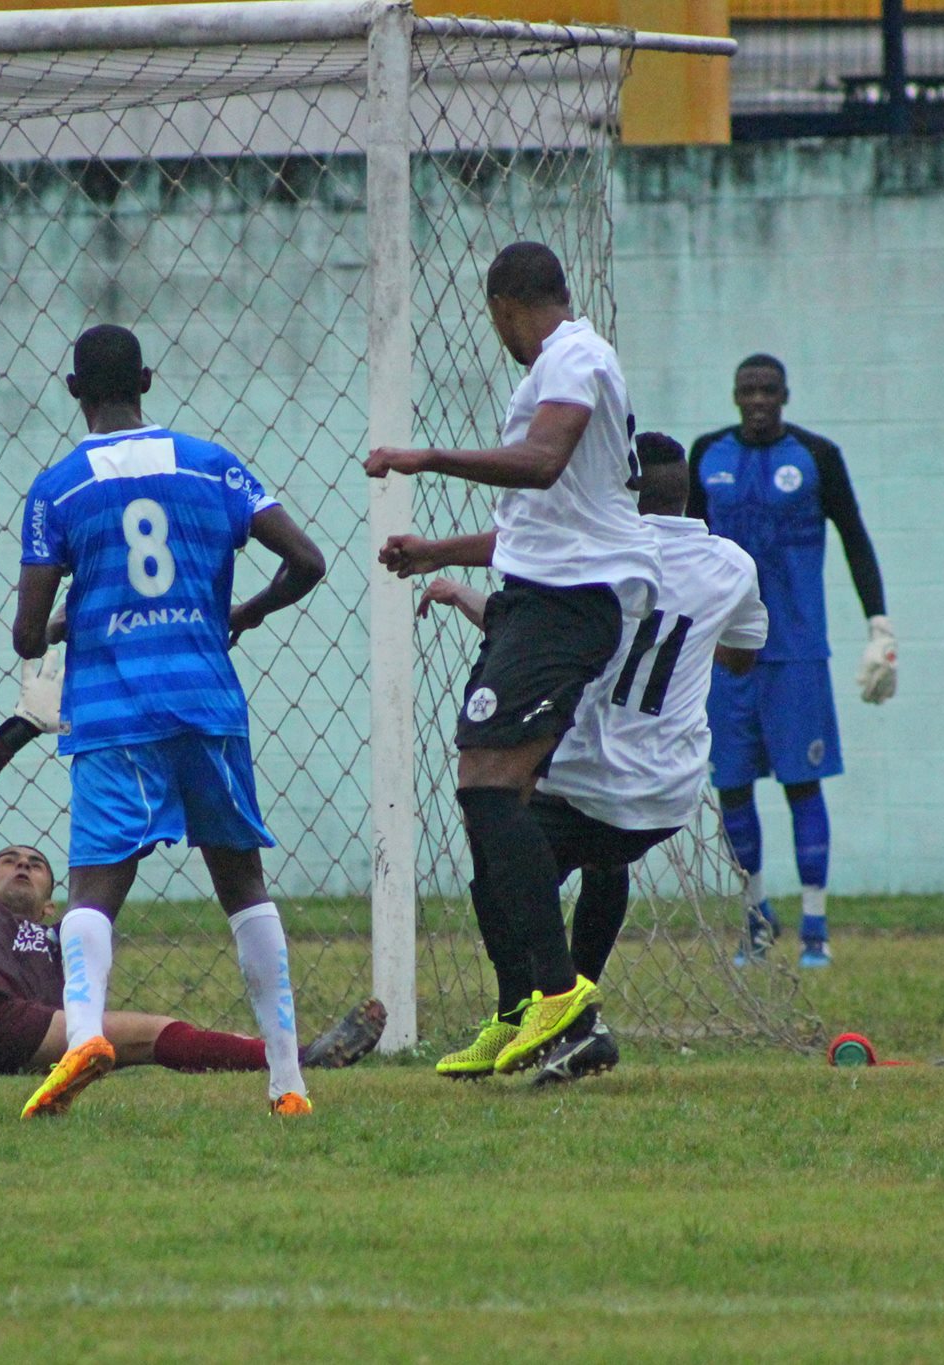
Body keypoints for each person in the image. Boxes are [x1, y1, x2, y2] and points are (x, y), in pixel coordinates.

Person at [11, 324, 328, 1118]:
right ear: (147, 380)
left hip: (116, 715)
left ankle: (85, 1032)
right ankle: (288, 1081)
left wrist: (66, 623)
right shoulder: (212, 464)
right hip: (205, 704)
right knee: (242, 884)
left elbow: (25, 632)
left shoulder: (59, 489)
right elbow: (309, 562)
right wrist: (243, 614)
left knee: (92, 890)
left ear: (75, 391)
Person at [364, 241, 660, 1079]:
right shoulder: (568, 365)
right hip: (544, 596)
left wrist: (425, 457)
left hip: (567, 608)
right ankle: (519, 1008)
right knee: (491, 810)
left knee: (488, 789)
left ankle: (559, 993)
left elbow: (541, 464)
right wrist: (438, 552)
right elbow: (543, 521)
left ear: (502, 305)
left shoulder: (574, 357)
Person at [388, 433, 767, 1084]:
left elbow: (528, 633)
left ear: (619, 490)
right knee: (602, 854)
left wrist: (448, 576)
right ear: (688, 494)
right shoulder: (732, 566)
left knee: (497, 836)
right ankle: (571, 1013)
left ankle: (534, 1009)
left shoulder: (596, 554)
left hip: (590, 774)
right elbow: (742, 653)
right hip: (668, 794)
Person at [0, 674, 386, 1083]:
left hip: (24, 1032)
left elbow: (100, 907)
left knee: (149, 1030)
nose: (22, 864)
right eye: (10, 858)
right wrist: (20, 728)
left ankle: (297, 1058)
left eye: (37, 864)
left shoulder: (67, 935)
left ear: (49, 903)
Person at [687, 354, 895, 969]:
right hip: (725, 655)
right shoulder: (708, 456)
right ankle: (754, 918)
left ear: (785, 395)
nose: (758, 401)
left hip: (797, 652)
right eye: (747, 390)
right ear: (733, 395)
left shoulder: (817, 457)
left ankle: (814, 928)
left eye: (768, 391)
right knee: (731, 786)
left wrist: (878, 624)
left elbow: (854, 537)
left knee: (802, 783)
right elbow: (685, 547)